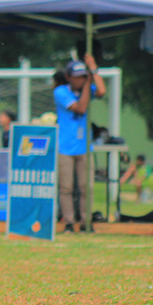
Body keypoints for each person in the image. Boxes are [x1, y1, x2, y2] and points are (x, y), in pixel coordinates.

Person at [54, 55, 106, 233]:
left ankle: (86, 221)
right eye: (77, 77)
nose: (80, 81)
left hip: (84, 146)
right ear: (68, 77)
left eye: (83, 77)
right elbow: (80, 108)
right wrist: (87, 86)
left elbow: (102, 91)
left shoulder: (88, 89)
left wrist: (94, 69)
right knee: (66, 187)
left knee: (86, 187)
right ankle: (69, 222)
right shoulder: (61, 92)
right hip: (65, 147)